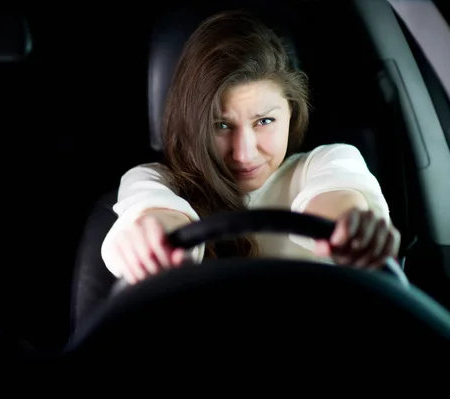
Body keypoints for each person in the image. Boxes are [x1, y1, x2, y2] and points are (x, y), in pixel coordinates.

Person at [101, 9, 401, 285]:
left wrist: (352, 228)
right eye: (221, 125)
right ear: (193, 123)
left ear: (291, 113)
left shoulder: (327, 161)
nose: (244, 153)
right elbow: (156, 214)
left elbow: (339, 201)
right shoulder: (154, 180)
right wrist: (152, 240)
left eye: (264, 121)